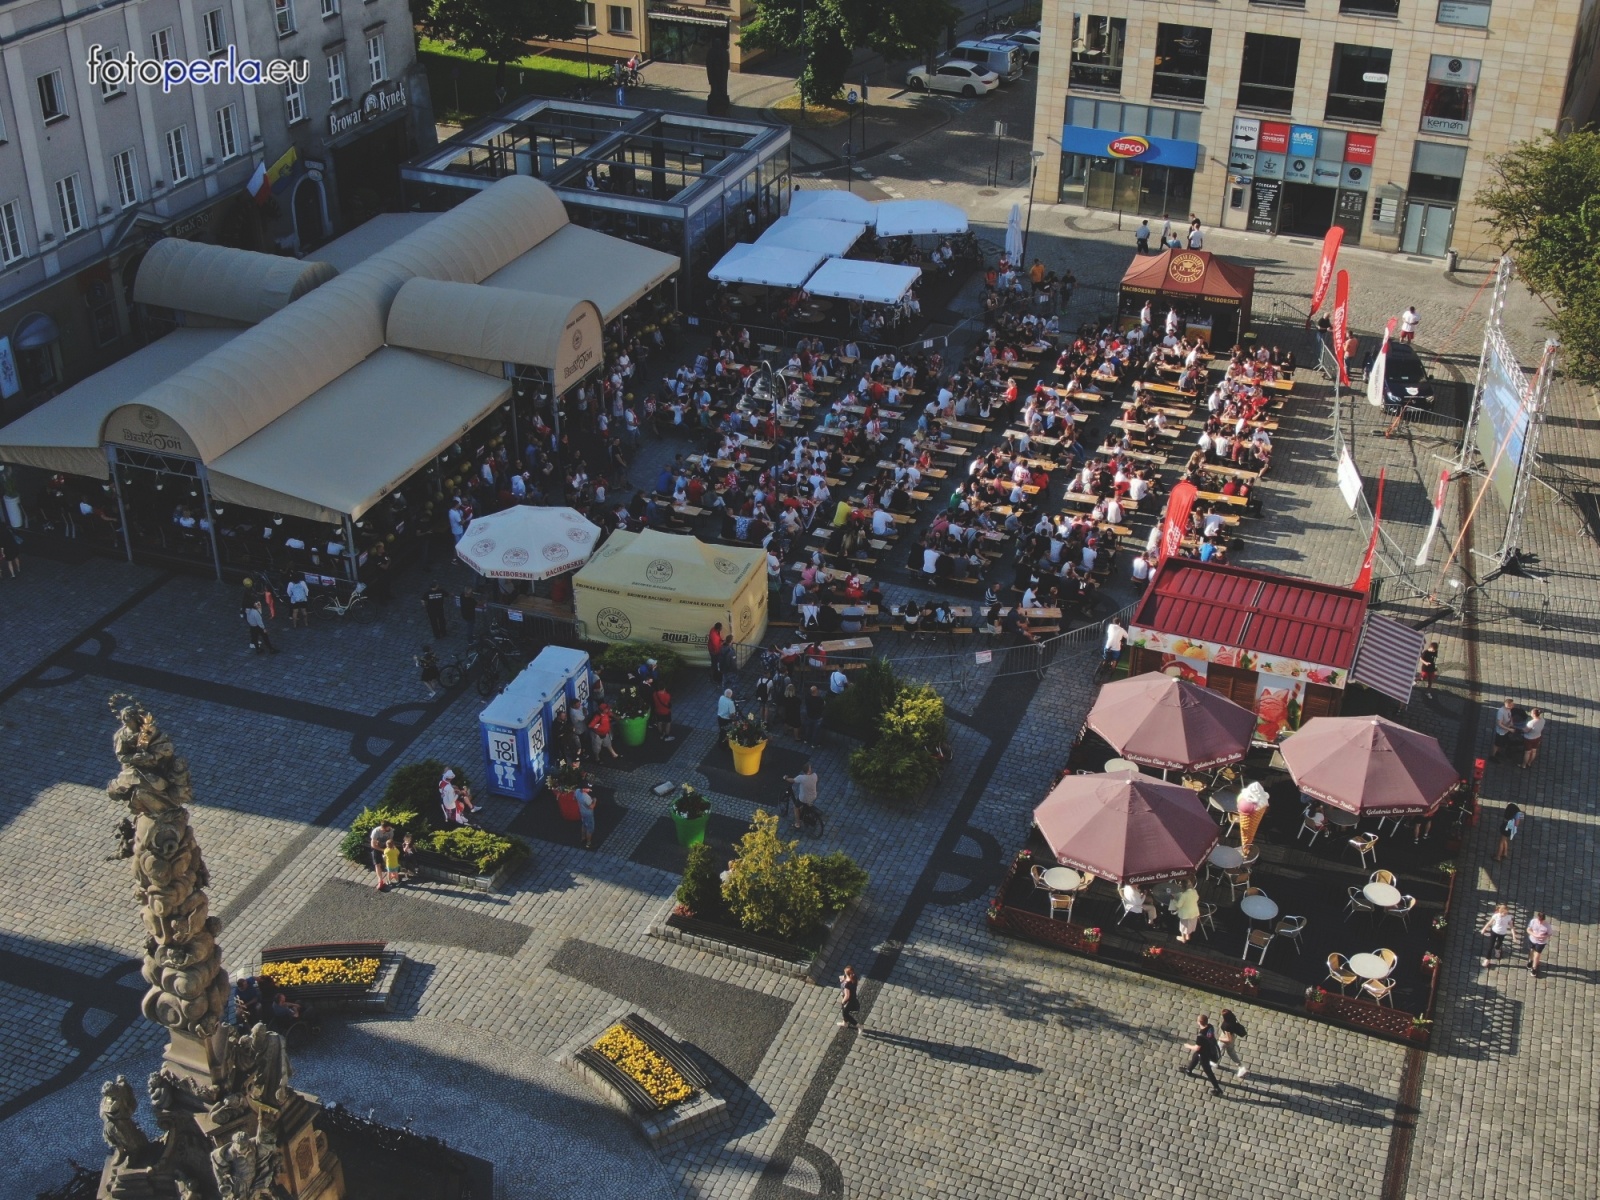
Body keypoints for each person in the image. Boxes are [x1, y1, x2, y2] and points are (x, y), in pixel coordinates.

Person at [1182, 1014, 1224, 1096]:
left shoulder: (1200, 1036)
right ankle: (1188, 1070)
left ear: (1200, 1022)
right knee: (1195, 1057)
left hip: (1204, 1054)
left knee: (1208, 1071)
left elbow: (1197, 1048)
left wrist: (1188, 1046)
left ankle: (1217, 1088)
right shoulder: (1210, 1027)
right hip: (1208, 1049)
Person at [1480, 903, 1517, 967]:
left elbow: (1511, 927)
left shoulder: (1508, 917)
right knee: (1490, 946)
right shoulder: (1496, 916)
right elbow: (1489, 923)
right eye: (1504, 913)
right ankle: (1487, 959)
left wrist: (1514, 936)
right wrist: (1484, 929)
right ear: (1500, 912)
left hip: (1502, 933)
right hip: (1494, 931)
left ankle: (1497, 949)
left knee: (1499, 943)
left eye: (1506, 913)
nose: (1506, 914)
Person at [785, 762, 819, 826]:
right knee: (806, 802)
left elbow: (792, 780)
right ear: (809, 770)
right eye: (810, 768)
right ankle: (807, 805)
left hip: (804, 798)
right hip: (813, 796)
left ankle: (797, 823)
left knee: (796, 807)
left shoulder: (801, 778)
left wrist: (786, 778)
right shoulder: (815, 775)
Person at [1218, 1009, 1248, 1079]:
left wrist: (1220, 1039)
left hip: (1225, 1038)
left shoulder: (1226, 1025)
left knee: (1218, 1049)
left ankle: (1214, 1061)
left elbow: (1228, 1040)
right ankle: (1241, 1067)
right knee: (1231, 1052)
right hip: (1232, 1036)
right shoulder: (1232, 1018)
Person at [369, 819, 395, 891]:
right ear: (383, 828)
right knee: (377, 864)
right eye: (387, 828)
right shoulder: (376, 832)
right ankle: (380, 880)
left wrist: (389, 849)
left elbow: (390, 841)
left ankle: (392, 872)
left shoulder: (390, 831)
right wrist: (382, 850)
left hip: (385, 846)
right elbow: (373, 845)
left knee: (390, 859)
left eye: (389, 828)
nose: (389, 829)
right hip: (377, 848)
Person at [1172, 878, 1201, 943]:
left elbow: (1178, 905)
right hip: (1194, 912)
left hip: (1185, 914)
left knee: (1183, 927)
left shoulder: (1184, 895)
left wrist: (1173, 899)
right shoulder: (1194, 891)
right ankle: (1188, 935)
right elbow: (1197, 898)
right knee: (1190, 924)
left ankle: (1183, 938)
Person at [1491, 697, 1518, 762]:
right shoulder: (1501, 712)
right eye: (1511, 705)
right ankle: (1492, 756)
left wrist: (1511, 722)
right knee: (1497, 744)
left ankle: (1498, 752)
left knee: (1501, 743)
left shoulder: (1508, 709)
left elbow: (1510, 716)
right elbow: (1499, 724)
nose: (1513, 706)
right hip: (1501, 732)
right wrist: (1509, 729)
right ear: (1508, 705)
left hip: (1506, 730)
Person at [1525, 911, 1552, 977]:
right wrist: (1535, 935)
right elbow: (1528, 930)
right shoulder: (1533, 921)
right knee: (1531, 951)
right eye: (1539, 920)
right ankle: (1530, 961)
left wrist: (1544, 936)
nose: (1540, 922)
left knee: (1537, 955)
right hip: (1532, 939)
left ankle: (1534, 968)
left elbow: (1550, 934)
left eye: (1541, 921)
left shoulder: (1547, 925)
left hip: (1541, 942)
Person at [575, 784, 598, 850]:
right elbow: (591, 806)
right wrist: (594, 800)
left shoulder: (577, 791)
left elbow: (574, 798)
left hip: (582, 812)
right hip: (588, 814)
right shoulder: (586, 797)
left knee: (584, 825)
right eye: (588, 788)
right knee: (590, 828)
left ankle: (583, 838)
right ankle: (588, 843)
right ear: (584, 789)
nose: (589, 789)